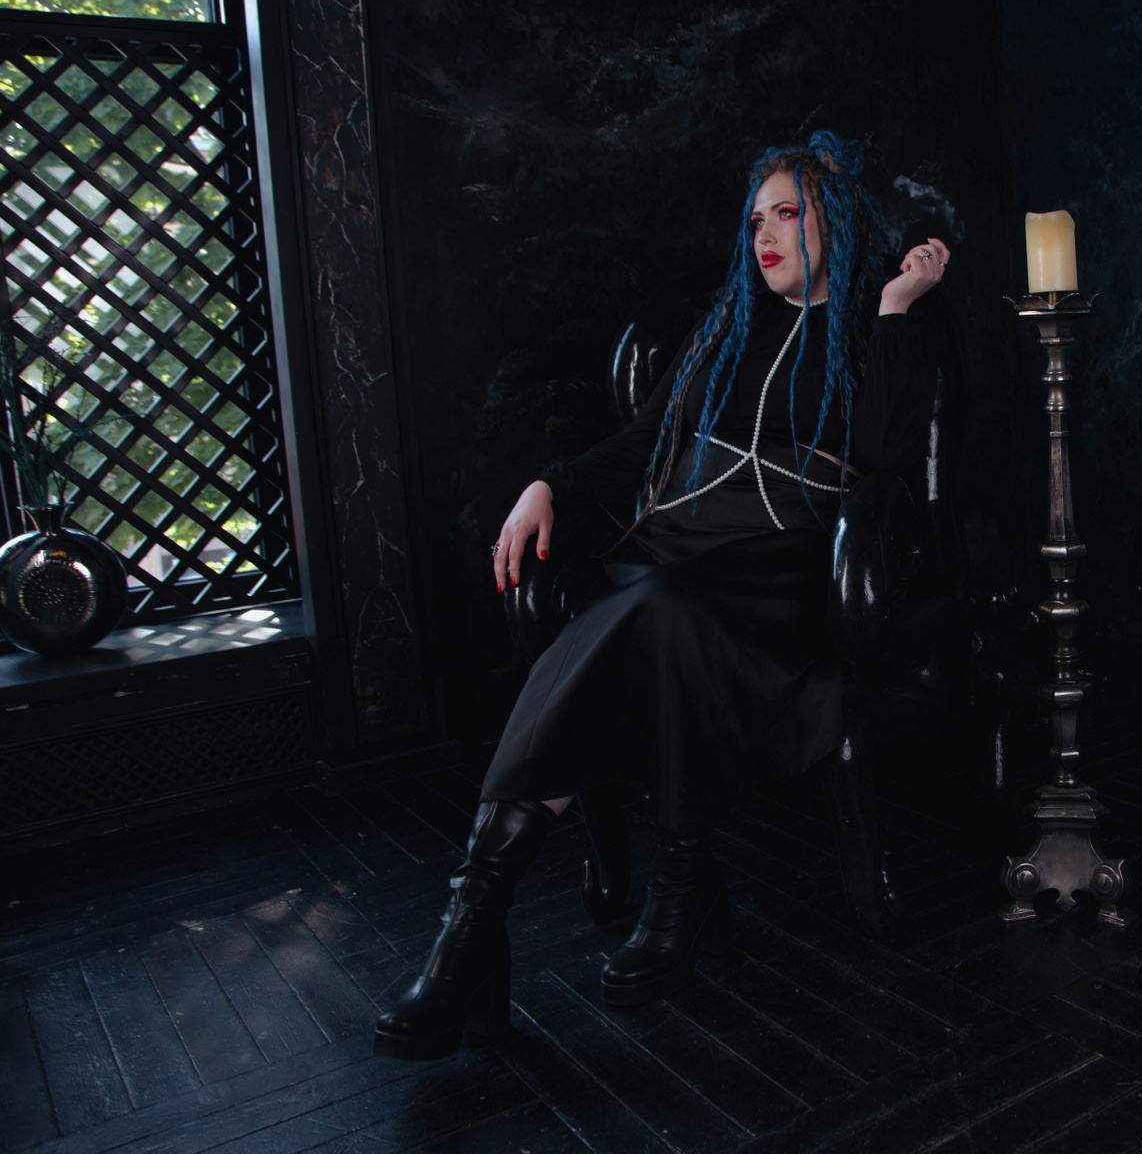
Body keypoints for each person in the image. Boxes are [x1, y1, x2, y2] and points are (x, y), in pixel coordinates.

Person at [373, 132, 950, 1060]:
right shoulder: (728, 324)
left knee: (652, 608)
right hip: (676, 554)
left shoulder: (878, 324)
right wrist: (550, 484)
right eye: (754, 221)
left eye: (787, 214)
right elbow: (646, 441)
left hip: (779, 572)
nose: (764, 236)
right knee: (650, 603)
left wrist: (894, 306)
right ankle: (485, 926)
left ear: (838, 222)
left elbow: (883, 458)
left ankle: (535, 930)